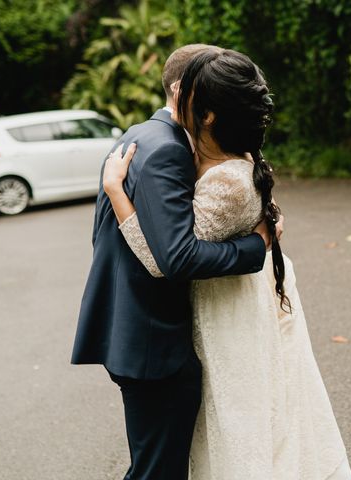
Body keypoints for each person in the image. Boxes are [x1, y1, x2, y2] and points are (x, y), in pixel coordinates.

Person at [103, 48, 351, 479]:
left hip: (228, 314)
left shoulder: (225, 179)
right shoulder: (226, 158)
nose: (177, 95)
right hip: (229, 304)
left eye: (189, 93)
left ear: (209, 116)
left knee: (238, 424)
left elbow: (169, 260)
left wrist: (117, 194)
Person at [70, 44, 276, 480]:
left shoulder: (137, 134)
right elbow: (176, 256)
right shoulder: (168, 150)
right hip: (153, 341)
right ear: (185, 91)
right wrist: (256, 248)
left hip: (134, 329)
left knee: (152, 465)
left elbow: (104, 237)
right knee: (157, 471)